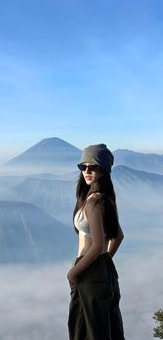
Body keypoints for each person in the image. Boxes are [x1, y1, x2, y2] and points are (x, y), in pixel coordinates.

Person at [67, 143, 125, 340]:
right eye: (83, 166)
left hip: (88, 271)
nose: (87, 171)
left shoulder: (93, 201)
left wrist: (74, 273)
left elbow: (98, 245)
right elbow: (118, 236)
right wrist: (106, 259)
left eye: (93, 166)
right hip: (102, 269)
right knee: (105, 328)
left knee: (85, 330)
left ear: (104, 169)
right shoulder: (105, 198)